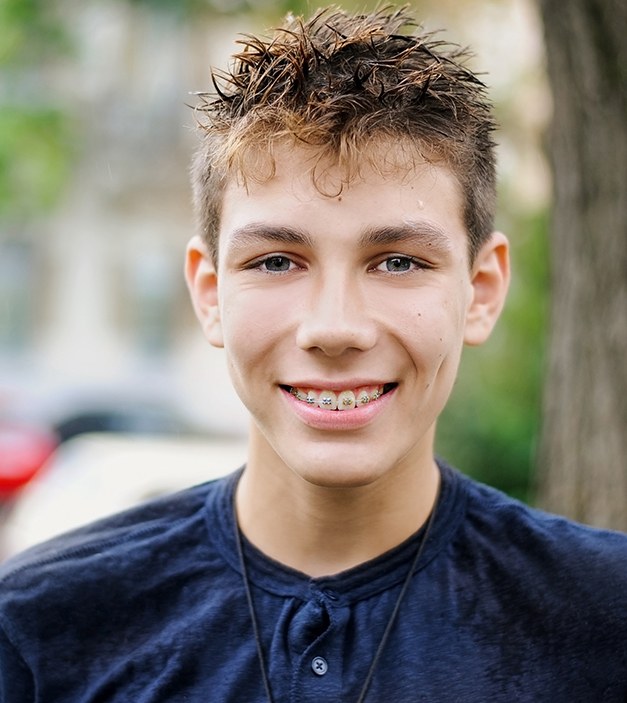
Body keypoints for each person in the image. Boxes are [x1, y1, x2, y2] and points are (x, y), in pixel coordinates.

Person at [1, 6, 626, 702]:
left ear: (479, 290)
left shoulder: (604, 620)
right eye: (275, 261)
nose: (333, 327)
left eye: (396, 261)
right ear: (209, 293)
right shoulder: (43, 625)